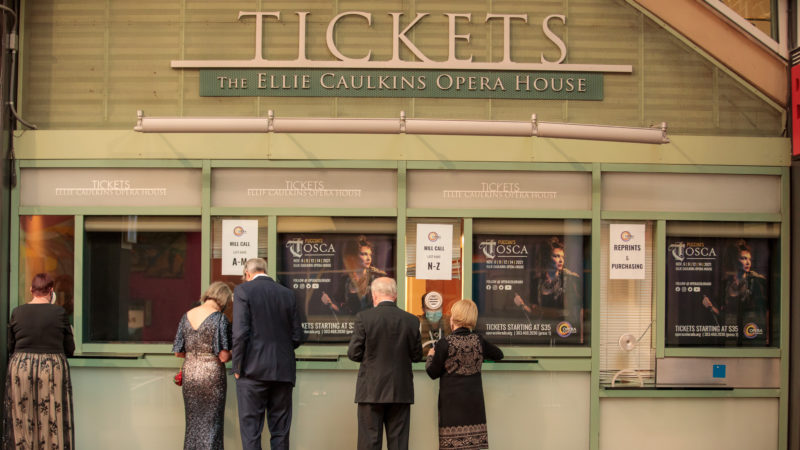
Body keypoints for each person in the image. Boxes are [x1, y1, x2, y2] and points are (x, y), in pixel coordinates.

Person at [233, 258, 303, 450]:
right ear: (265, 270)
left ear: (248, 274)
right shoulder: (287, 294)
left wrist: (237, 366)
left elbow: (240, 333)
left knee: (251, 432)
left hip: (251, 371)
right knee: (280, 432)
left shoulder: (243, 291)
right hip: (282, 372)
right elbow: (297, 336)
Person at [347, 277, 423, 450]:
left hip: (370, 391)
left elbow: (353, 353)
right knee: (398, 444)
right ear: (395, 295)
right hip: (401, 391)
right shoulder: (411, 320)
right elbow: (417, 355)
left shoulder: (364, 318)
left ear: (374, 295)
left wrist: (369, 358)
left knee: (369, 443)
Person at [3, 273, 75, 450]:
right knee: (52, 416)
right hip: (51, 367)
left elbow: (10, 346)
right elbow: (70, 349)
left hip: (21, 366)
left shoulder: (17, 312)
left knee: (22, 415)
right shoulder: (59, 312)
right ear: (51, 291)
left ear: (31, 290)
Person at [425, 299, 504, 450]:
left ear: (453, 318)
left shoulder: (445, 343)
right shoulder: (478, 340)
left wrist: (430, 356)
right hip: (474, 406)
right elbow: (498, 355)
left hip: (452, 407)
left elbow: (432, 373)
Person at [172, 281, 233, 450]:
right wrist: (235, 353)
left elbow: (178, 352)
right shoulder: (220, 318)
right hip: (212, 375)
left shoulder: (187, 315)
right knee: (212, 423)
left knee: (193, 424)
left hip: (190, 373)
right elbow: (223, 356)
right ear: (224, 299)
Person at [701, 239, 768, 344]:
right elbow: (724, 317)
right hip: (731, 337)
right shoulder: (725, 284)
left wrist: (767, 336)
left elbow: (766, 310)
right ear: (733, 260)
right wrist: (711, 308)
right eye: (743, 258)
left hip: (752, 335)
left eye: (749, 259)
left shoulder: (755, 280)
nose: (748, 262)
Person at [513, 236, 582, 326]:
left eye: (562, 257)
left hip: (564, 330)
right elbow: (534, 313)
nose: (561, 260)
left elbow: (576, 312)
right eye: (556, 256)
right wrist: (522, 305)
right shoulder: (537, 281)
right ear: (546, 257)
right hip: (544, 330)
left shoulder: (570, 279)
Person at [321, 235, 387, 314]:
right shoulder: (345, 280)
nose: (369, 258)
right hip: (352, 324)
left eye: (370, 255)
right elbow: (343, 312)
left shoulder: (377, 279)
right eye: (364, 254)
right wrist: (330, 304)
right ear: (354, 256)